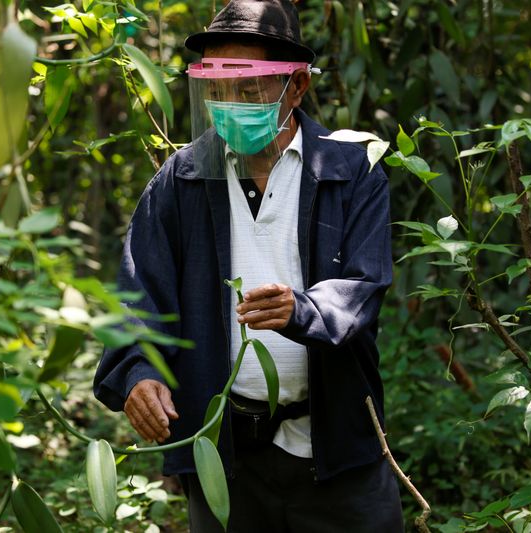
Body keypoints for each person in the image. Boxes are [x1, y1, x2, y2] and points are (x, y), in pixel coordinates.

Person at [93, 0, 403, 530]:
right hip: (226, 456)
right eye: (216, 88)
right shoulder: (181, 179)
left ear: (297, 86)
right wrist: (139, 374)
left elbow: (363, 285)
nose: (230, 104)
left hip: (335, 450)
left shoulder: (352, 170)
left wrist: (301, 311)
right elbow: (139, 295)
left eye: (249, 88)